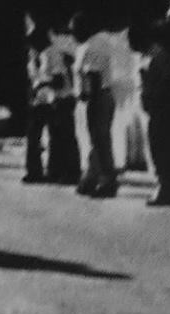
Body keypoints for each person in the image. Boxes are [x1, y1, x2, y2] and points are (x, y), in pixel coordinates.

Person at [134, 16, 170, 206]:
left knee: (160, 148)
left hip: (161, 107)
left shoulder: (157, 54)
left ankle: (166, 187)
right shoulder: (146, 54)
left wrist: (156, 97)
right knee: (157, 146)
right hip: (153, 106)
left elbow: (168, 78)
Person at [25, 19, 79, 185]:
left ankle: (69, 173)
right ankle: (48, 171)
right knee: (50, 137)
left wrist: (41, 84)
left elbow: (59, 81)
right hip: (47, 99)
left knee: (63, 137)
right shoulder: (38, 54)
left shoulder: (51, 53)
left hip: (61, 98)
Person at [73, 12, 119, 199]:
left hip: (97, 97)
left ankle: (108, 180)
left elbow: (93, 76)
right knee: (99, 139)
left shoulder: (89, 47)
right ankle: (91, 177)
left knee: (99, 140)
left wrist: (86, 96)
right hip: (106, 95)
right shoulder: (103, 41)